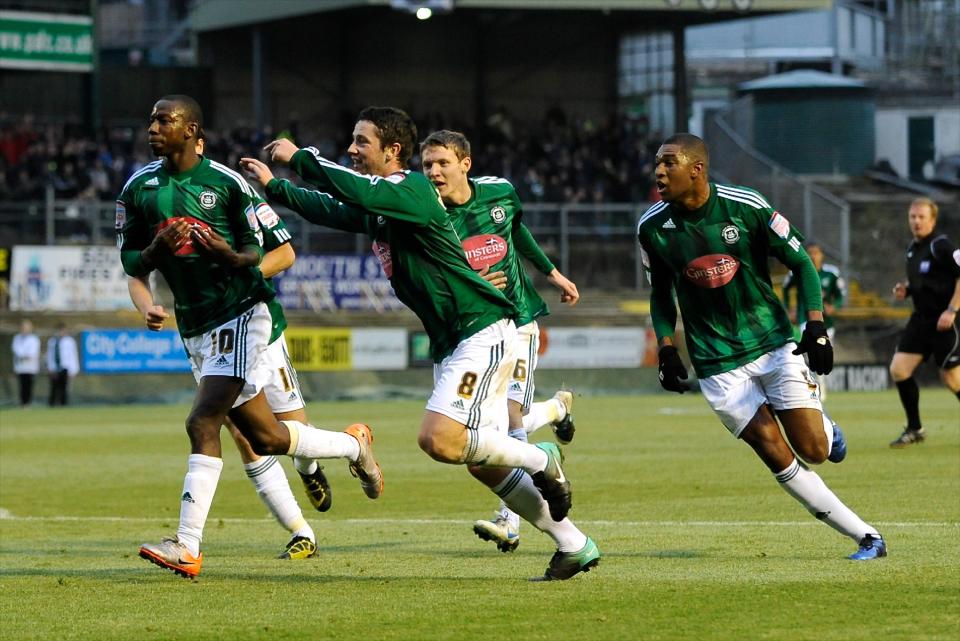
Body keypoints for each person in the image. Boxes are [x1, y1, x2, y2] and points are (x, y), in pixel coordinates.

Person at [240, 106, 599, 580]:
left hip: (480, 329)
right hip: (455, 339)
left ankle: (541, 457)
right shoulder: (385, 208)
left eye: (361, 141)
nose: (352, 149)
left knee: (438, 439)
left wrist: (299, 157)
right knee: (484, 463)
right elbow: (328, 206)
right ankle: (574, 544)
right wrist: (275, 187)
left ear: (391, 151)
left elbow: (348, 188)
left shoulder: (409, 190)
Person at [117, 95, 384, 579]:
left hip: (243, 313)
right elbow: (132, 263)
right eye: (151, 118)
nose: (153, 126)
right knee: (265, 436)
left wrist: (228, 257)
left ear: (192, 129)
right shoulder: (138, 188)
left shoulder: (228, 185)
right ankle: (352, 446)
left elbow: (271, 253)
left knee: (203, 421)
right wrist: (154, 261)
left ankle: (188, 546)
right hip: (196, 325)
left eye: (164, 119)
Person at [637, 133, 885, 561]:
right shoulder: (652, 228)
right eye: (657, 164)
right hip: (716, 363)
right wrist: (665, 347)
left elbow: (801, 262)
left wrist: (817, 326)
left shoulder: (746, 205)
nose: (659, 171)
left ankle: (828, 431)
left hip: (771, 344)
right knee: (775, 452)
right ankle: (867, 537)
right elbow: (661, 295)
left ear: (696, 168)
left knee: (815, 450)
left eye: (669, 163)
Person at [126, 184, 333, 561]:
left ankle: (316, 462)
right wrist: (147, 307)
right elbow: (135, 270)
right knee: (239, 432)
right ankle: (301, 532)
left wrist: (239, 273)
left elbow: (285, 253)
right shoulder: (152, 200)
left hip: (260, 332)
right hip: (208, 334)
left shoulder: (237, 196)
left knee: (288, 432)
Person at [420, 129, 580, 553]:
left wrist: (552, 274)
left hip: (518, 319)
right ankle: (556, 407)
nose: (434, 172)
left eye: (442, 163)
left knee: (509, 418)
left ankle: (511, 521)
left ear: (465, 164)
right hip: (475, 330)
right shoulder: (431, 217)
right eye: (427, 165)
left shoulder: (500, 193)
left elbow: (518, 231)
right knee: (490, 428)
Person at [888, 197, 960, 448]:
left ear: (932, 219)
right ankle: (915, 428)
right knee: (899, 370)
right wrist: (906, 290)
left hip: (945, 321)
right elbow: (926, 280)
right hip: (921, 320)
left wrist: (952, 309)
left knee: (952, 380)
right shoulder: (913, 248)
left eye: (921, 217)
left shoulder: (941, 245)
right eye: (912, 217)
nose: (916, 221)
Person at [782, 241, 846, 399]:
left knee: (820, 355)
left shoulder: (831, 274)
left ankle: (820, 386)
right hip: (804, 319)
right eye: (809, 252)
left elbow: (840, 294)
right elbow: (785, 289)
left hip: (826, 322)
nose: (812, 256)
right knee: (807, 356)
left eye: (816, 252)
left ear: (821, 255)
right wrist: (788, 308)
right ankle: (813, 388)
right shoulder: (796, 272)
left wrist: (834, 306)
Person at [46, 323, 79, 406]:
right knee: (54, 388)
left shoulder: (70, 341)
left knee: (64, 389)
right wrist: (49, 368)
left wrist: (74, 369)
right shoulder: (52, 341)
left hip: (65, 368)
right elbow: (49, 355)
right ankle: (52, 405)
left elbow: (73, 355)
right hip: (54, 368)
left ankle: (63, 405)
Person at [12, 319, 40, 407]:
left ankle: (28, 403)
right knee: (22, 385)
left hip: (30, 366)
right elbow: (16, 349)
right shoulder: (17, 338)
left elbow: (33, 352)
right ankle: (22, 403)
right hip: (20, 366)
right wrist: (22, 355)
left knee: (29, 385)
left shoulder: (34, 339)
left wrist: (25, 355)